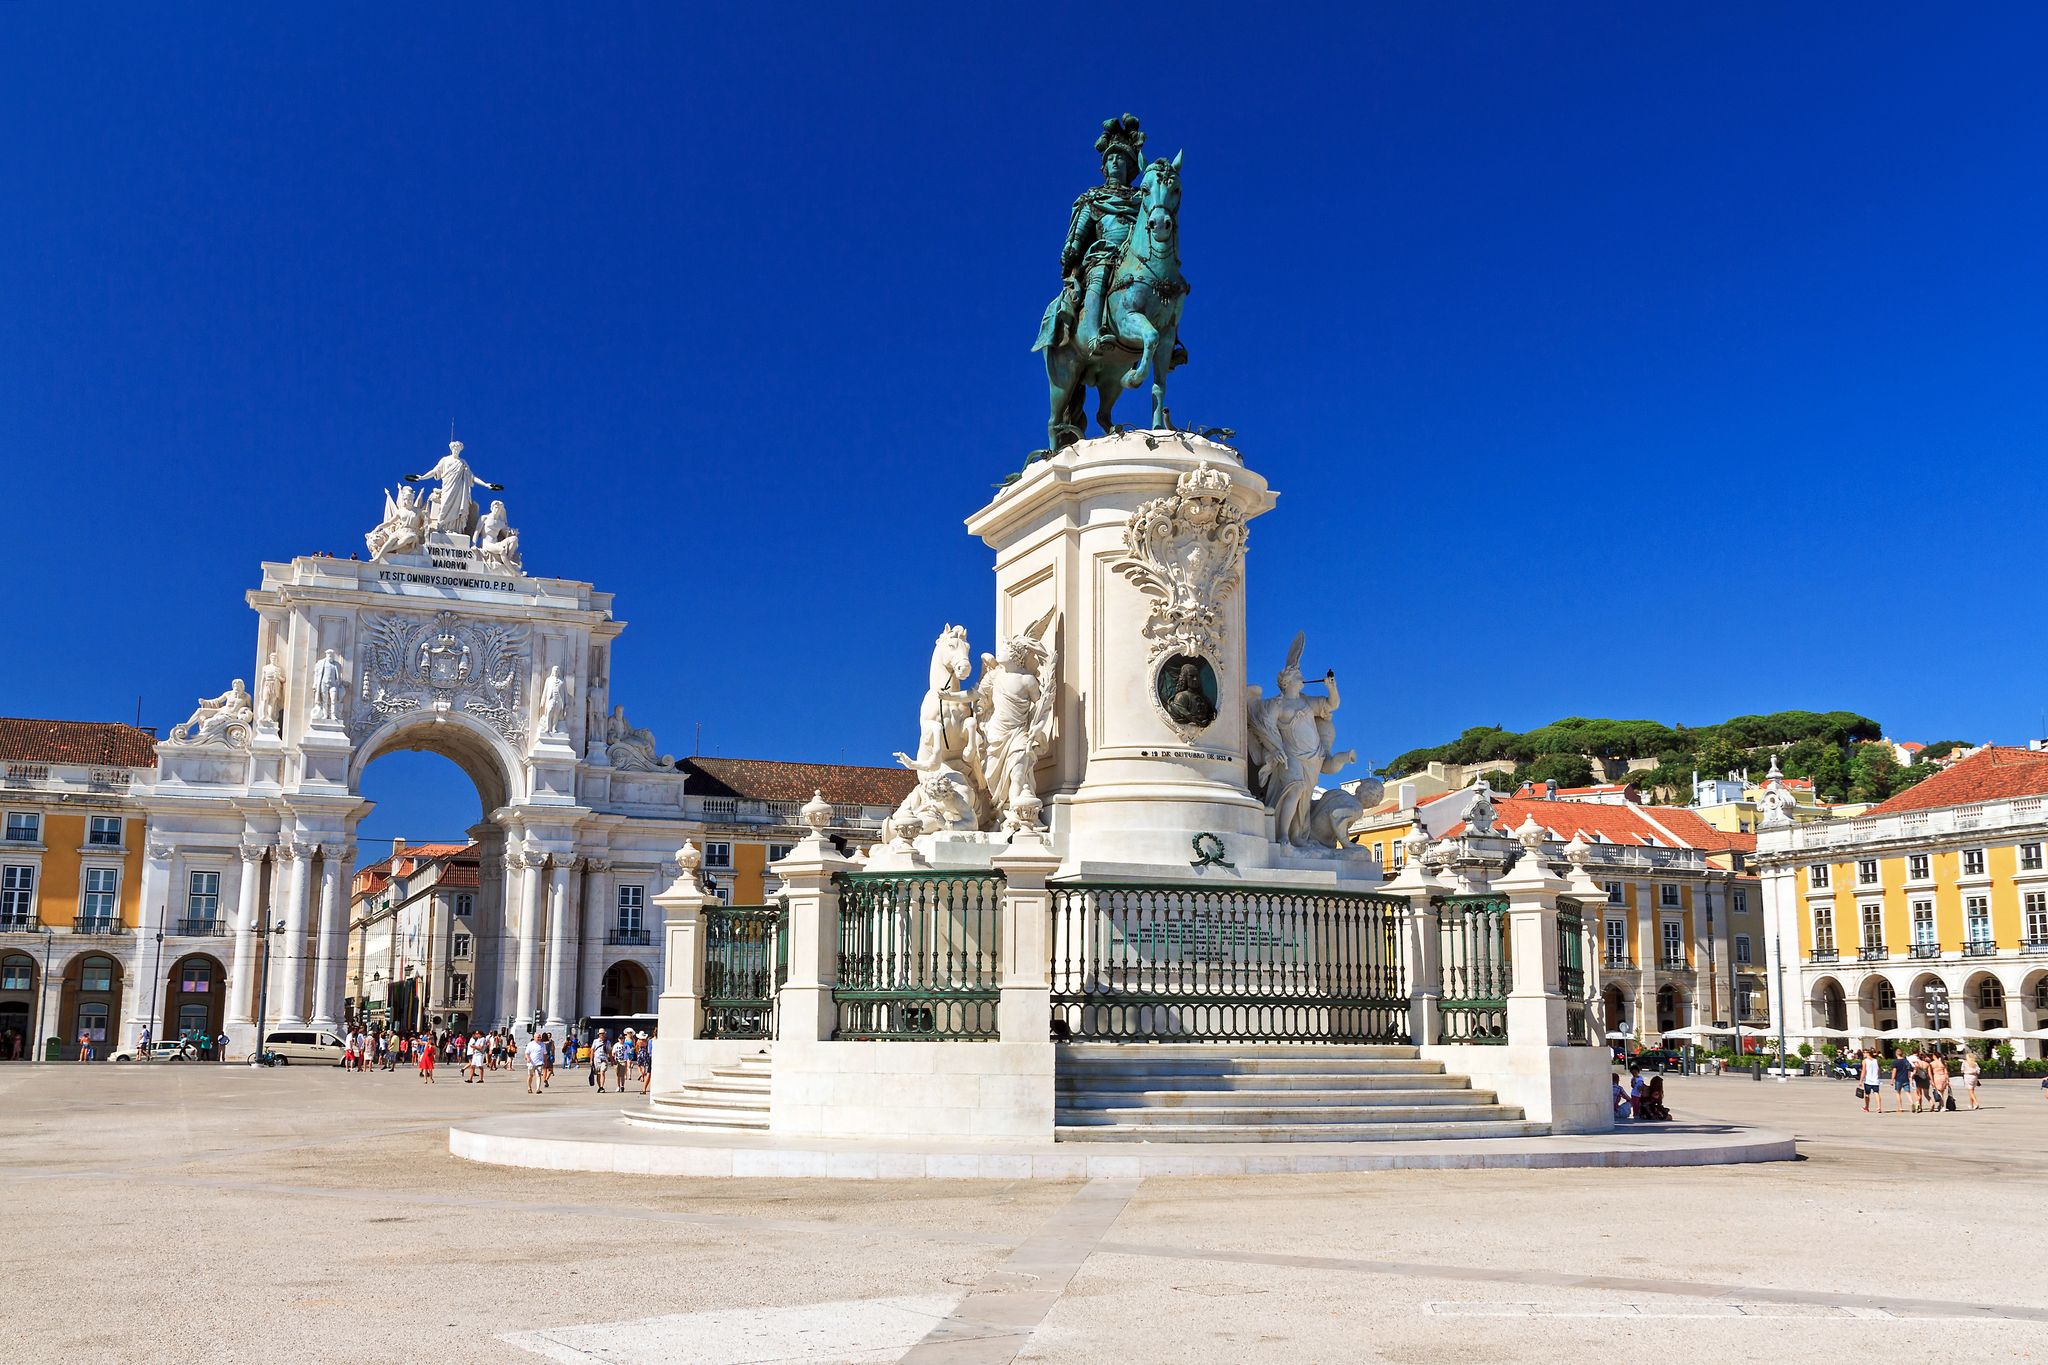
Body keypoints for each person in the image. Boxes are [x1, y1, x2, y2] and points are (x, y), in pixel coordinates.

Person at [1859, 1049, 1881, 1114]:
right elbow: (1878, 1069)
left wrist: (1860, 1080)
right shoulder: (1875, 1060)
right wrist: (1878, 1076)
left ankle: (1867, 1107)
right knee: (1876, 1093)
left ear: (1867, 1053)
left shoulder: (1865, 1061)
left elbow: (1863, 1071)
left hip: (1868, 1080)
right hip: (1875, 1080)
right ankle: (1878, 1107)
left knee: (1867, 1094)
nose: (1863, 1054)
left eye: (1864, 1053)